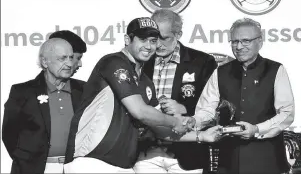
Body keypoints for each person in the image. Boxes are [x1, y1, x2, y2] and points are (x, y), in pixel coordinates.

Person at [63, 17, 195, 173]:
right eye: (143, 40)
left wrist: (201, 136)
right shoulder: (114, 62)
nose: (148, 46)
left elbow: (159, 130)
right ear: (127, 39)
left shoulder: (145, 81)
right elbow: (139, 111)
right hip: (91, 161)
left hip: (123, 166)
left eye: (153, 41)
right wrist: (174, 121)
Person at [193, 18, 295, 174]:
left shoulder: (275, 69)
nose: (239, 47)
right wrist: (194, 121)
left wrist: (256, 129)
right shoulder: (221, 72)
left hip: (267, 158)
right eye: (234, 42)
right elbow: (207, 109)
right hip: (228, 159)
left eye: (245, 41)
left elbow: (286, 113)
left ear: (260, 42)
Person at [134, 9, 218, 173]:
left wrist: (185, 108)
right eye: (154, 38)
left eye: (164, 38)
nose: (158, 44)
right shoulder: (141, 61)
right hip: (146, 152)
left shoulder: (202, 62)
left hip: (187, 154)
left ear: (178, 34)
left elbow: (213, 106)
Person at [2, 38, 85, 174]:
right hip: (35, 169)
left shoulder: (84, 89)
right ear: (45, 62)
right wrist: (27, 161)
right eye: (62, 58)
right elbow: (9, 134)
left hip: (75, 168)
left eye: (71, 57)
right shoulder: (22, 92)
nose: (69, 63)